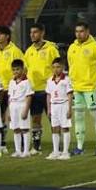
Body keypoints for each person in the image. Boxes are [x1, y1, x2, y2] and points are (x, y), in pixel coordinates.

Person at [67, 21, 96, 156]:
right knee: (78, 118)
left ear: (88, 31)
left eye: (81, 31)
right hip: (77, 89)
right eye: (77, 31)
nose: (79, 34)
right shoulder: (72, 47)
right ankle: (79, 147)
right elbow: (71, 66)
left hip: (91, 88)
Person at [23, 22, 60, 155]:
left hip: (48, 90)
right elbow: (26, 69)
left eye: (35, 32)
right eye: (31, 33)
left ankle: (57, 146)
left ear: (42, 33)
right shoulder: (29, 51)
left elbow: (58, 67)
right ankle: (36, 146)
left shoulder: (51, 49)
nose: (32, 35)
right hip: (34, 90)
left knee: (53, 118)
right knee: (35, 119)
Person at [0, 25, 24, 154]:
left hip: (11, 89)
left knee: (14, 116)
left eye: (1, 34)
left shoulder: (15, 51)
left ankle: (21, 143)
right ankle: (2, 144)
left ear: (7, 36)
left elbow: (22, 68)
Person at [45, 58, 74, 160]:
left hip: (63, 104)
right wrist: (49, 109)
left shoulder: (66, 80)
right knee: (55, 128)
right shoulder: (49, 80)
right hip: (54, 106)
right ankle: (56, 151)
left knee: (65, 128)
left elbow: (70, 94)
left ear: (63, 67)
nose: (55, 69)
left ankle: (65, 152)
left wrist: (69, 109)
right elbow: (48, 95)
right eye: (53, 67)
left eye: (58, 67)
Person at [6, 58, 34, 158]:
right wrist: (9, 111)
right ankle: (18, 150)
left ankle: (26, 150)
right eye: (13, 70)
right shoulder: (11, 82)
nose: (15, 72)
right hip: (13, 106)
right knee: (16, 129)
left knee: (25, 128)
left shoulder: (26, 82)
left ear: (22, 69)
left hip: (22, 105)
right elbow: (10, 96)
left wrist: (26, 110)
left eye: (17, 69)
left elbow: (29, 96)